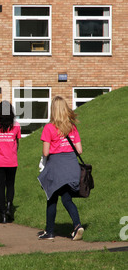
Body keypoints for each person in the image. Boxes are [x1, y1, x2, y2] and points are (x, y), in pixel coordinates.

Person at [37, 95, 84, 241]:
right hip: (71, 166)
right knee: (66, 199)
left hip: (57, 168)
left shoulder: (49, 128)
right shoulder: (72, 127)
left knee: (51, 198)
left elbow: (46, 152)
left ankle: (50, 232)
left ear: (53, 110)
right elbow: (80, 150)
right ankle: (77, 226)